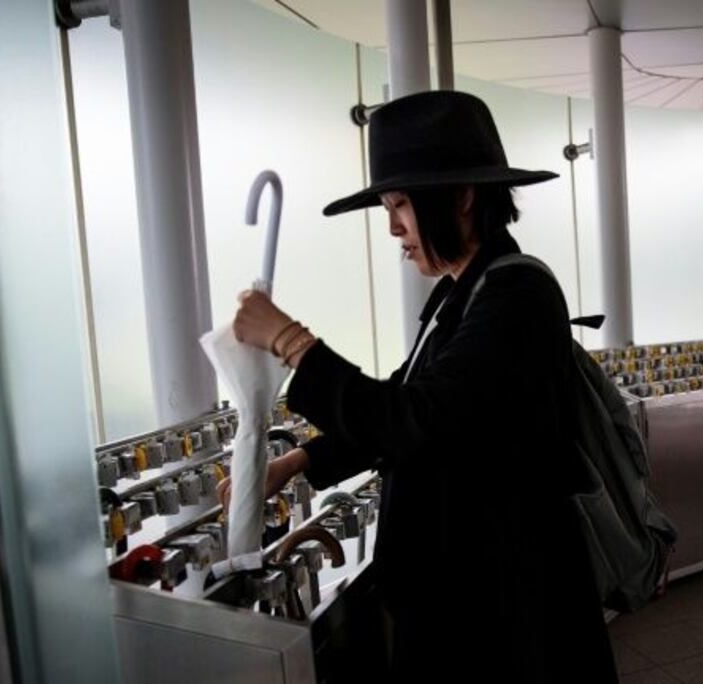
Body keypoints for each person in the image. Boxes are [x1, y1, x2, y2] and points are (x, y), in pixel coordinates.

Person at [224, 91, 617, 682]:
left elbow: (415, 418)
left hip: (502, 616)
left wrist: (291, 342)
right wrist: (298, 461)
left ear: (462, 196)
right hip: (463, 603)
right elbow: (407, 400)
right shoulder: (462, 292)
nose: (392, 229)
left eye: (401, 205)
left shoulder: (517, 296)